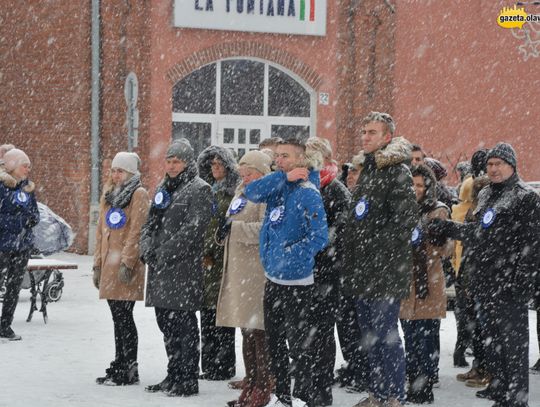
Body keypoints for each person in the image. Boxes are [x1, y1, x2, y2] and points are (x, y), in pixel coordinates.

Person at [428, 142, 540, 407]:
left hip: (510, 283)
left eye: (499, 164)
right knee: (493, 344)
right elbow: (477, 233)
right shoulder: (487, 194)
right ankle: (500, 392)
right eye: (490, 164)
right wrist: (447, 227)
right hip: (485, 280)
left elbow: (533, 245)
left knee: (513, 347)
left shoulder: (526, 197)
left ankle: (516, 398)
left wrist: (523, 282)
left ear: (512, 166)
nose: (493, 169)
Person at [244, 139, 328, 407]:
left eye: (285, 156)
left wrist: (288, 256)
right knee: (275, 342)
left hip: (297, 281)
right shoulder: (279, 185)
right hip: (273, 279)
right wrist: (282, 177)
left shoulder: (308, 192)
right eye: (277, 156)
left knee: (299, 345)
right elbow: (252, 191)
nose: (278, 160)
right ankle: (282, 395)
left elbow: (319, 237)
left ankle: (301, 395)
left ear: (302, 160)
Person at [342, 112, 418, 407]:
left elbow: (405, 222)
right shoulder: (369, 170)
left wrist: (371, 245)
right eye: (364, 132)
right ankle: (376, 393)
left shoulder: (398, 172)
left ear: (387, 138)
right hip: (363, 270)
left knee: (387, 337)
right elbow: (359, 217)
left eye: (372, 133)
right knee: (369, 337)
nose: (365, 137)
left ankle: (395, 396)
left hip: (386, 270)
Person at [140, 139, 213, 397]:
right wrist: (146, 246)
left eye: (177, 161)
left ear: (188, 163)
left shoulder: (199, 189)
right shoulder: (164, 187)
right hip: (160, 269)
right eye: (169, 160)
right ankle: (173, 374)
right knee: (166, 325)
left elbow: (193, 230)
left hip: (183, 269)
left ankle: (187, 378)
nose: (171, 165)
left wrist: (164, 251)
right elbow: (149, 223)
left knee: (184, 327)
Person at [215, 150, 274, 407]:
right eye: (243, 173)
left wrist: (235, 228)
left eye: (249, 173)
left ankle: (263, 385)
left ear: (261, 173)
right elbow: (231, 222)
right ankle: (249, 383)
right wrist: (223, 230)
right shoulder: (241, 193)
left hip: (256, 272)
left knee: (258, 332)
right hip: (238, 271)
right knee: (245, 331)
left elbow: (266, 229)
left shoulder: (267, 195)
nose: (245, 177)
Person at [92, 152, 149, 385]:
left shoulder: (138, 194)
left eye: (121, 171)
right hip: (109, 265)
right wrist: (97, 264)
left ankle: (129, 366)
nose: (116, 175)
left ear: (131, 173)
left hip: (126, 266)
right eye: (114, 170)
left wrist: (127, 262)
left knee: (125, 317)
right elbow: (100, 232)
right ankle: (119, 362)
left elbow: (137, 230)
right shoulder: (110, 194)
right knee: (117, 317)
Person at [399, 165, 453, 404]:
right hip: (404, 284)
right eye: (411, 184)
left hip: (427, 285)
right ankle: (413, 383)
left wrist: (433, 236)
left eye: (419, 185)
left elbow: (446, 250)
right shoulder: (402, 209)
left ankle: (424, 387)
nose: (414, 189)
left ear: (429, 187)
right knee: (410, 340)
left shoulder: (437, 211)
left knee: (425, 340)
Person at [306, 137, 351, 406]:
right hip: (303, 273)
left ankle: (322, 390)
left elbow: (341, 232)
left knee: (322, 333)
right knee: (304, 333)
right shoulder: (301, 187)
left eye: (314, 156)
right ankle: (307, 383)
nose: (309, 161)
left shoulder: (335, 190)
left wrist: (317, 245)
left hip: (327, 273)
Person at [198, 146, 241, 381]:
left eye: (219, 164)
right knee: (206, 314)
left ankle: (224, 365)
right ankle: (209, 363)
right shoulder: (207, 191)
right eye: (212, 165)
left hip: (222, 260)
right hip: (205, 262)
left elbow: (227, 225)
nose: (215, 168)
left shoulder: (232, 194)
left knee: (222, 315)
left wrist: (213, 249)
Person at [0, 148, 39, 340]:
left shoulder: (27, 188)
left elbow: (35, 213)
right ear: (14, 166)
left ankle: (5, 325)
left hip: (22, 246)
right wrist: (18, 222)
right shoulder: (1, 187)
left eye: (29, 166)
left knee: (14, 287)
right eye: (25, 165)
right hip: (3, 245)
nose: (28, 169)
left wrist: (31, 220)